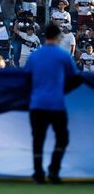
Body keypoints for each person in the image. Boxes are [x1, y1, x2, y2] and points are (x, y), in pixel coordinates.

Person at [24, 24, 78, 184]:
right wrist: (62, 90)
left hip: (37, 104)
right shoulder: (63, 55)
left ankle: (38, 174)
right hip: (56, 103)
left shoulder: (34, 56)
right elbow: (74, 78)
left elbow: (26, 78)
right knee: (62, 138)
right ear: (58, 37)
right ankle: (54, 170)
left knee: (38, 139)